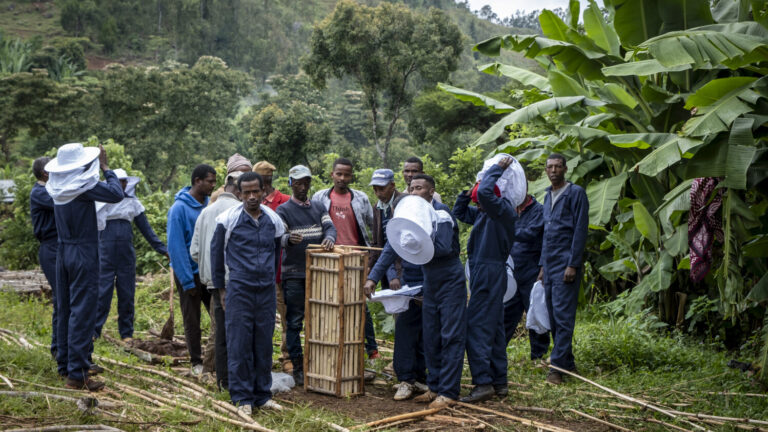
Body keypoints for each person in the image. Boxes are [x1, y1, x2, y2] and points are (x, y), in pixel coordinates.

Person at [364, 190, 465, 409]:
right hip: (429, 281)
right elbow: (392, 246)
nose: (414, 191)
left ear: (430, 192)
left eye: (419, 188)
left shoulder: (441, 215)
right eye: (411, 188)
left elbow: (444, 248)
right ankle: (435, 387)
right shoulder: (411, 215)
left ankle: (449, 392)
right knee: (431, 336)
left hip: (449, 280)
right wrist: (373, 277)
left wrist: (418, 241)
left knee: (450, 336)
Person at [45, 143, 124, 391]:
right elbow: (116, 194)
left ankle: (66, 364)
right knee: (83, 311)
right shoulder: (83, 187)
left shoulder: (57, 187)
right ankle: (77, 375)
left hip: (63, 250)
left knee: (66, 308)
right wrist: (106, 168)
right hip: (83, 251)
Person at [211, 172, 285, 417]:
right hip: (239, 289)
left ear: (264, 191)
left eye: (256, 191)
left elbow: (276, 252)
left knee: (263, 343)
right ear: (239, 193)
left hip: (265, 291)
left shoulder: (273, 220)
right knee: (239, 343)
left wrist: (271, 282)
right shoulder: (227, 220)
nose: (252, 197)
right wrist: (221, 289)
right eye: (247, 192)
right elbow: (216, 255)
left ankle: (262, 395)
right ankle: (242, 397)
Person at [453, 157, 519, 403]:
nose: (478, 202)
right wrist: (471, 188)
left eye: (480, 197)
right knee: (494, 329)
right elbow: (458, 211)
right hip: (484, 270)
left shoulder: (502, 211)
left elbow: (488, 196)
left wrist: (495, 170)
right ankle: (499, 382)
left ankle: (483, 382)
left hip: (490, 271)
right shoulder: (483, 214)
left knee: (477, 327)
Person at [312, 157, 379, 359]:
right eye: (338, 174)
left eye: (346, 174)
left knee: (359, 303)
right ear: (332, 174)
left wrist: (371, 257)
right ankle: (330, 345)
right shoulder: (319, 197)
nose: (342, 178)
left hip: (355, 257)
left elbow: (372, 226)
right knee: (328, 300)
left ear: (352, 176)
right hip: (328, 257)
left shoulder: (360, 198)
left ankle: (371, 349)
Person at [275, 165, 336, 387]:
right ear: (290, 184)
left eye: (306, 183)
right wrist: (288, 239)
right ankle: (298, 367)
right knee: (294, 322)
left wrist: (329, 238)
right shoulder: (283, 210)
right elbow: (278, 235)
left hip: (319, 271)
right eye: (298, 183)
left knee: (321, 318)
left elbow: (330, 228)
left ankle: (319, 364)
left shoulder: (319, 207)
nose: (302, 187)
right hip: (294, 274)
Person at [94, 169, 167, 341]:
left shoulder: (133, 203)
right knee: (103, 292)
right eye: (119, 181)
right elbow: (93, 227)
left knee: (127, 292)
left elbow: (146, 228)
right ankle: (94, 331)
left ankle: (126, 333)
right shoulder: (101, 201)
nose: (123, 184)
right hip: (105, 250)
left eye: (125, 181)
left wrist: (162, 249)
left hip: (126, 253)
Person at [537, 153, 589, 385]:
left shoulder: (575, 193)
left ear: (566, 169)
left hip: (566, 265)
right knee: (553, 317)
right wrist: (541, 265)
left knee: (564, 316)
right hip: (549, 264)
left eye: (558, 166)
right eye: (550, 167)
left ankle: (556, 368)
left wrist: (573, 264)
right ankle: (567, 364)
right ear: (546, 170)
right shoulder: (547, 196)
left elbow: (580, 230)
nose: (554, 170)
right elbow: (546, 234)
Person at [190, 171, 242, 391]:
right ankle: (232, 378)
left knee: (219, 331)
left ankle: (222, 380)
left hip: (212, 282)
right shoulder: (239, 212)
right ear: (240, 190)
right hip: (237, 282)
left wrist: (209, 269)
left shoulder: (205, 212)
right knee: (237, 331)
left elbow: (194, 251)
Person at [167, 164, 216, 375]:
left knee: (217, 316)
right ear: (197, 181)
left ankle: (216, 358)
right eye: (210, 181)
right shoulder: (178, 209)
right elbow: (176, 248)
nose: (213, 185)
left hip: (208, 273)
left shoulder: (209, 205)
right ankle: (196, 360)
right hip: (189, 273)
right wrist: (187, 280)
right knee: (192, 319)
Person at [253, 160, 292, 373]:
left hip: (280, 271)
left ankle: (286, 356)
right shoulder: (250, 202)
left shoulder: (283, 202)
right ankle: (262, 358)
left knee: (285, 317)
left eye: (267, 179)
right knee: (260, 318)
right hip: (257, 273)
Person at [503, 191, 550, 360]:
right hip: (510, 270)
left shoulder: (539, 210)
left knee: (536, 313)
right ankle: (497, 353)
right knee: (506, 314)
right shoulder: (508, 208)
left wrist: (506, 226)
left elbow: (530, 234)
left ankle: (539, 356)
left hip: (531, 270)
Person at [29, 156, 58, 359]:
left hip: (60, 246)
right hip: (51, 248)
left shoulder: (48, 190)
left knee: (66, 299)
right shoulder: (40, 193)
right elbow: (62, 201)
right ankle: (58, 349)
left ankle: (62, 347)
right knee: (62, 299)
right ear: (46, 173)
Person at [369, 168, 403, 291]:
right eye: (375, 189)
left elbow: (398, 243)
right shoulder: (377, 207)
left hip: (403, 267)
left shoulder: (403, 202)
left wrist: (394, 274)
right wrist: (370, 267)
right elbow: (377, 241)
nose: (378, 193)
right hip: (385, 265)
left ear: (392, 185)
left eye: (382, 189)